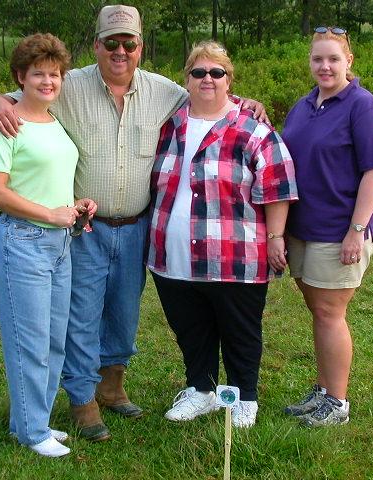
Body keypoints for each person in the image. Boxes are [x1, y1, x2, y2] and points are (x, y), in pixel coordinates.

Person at [0, 5, 269, 441]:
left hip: (138, 226)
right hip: (85, 228)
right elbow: (25, 94)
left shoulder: (165, 91)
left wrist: (248, 103)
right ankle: (82, 400)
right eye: (111, 43)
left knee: (123, 312)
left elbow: (210, 95)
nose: (120, 51)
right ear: (97, 44)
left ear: (140, 46)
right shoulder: (69, 84)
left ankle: (112, 387)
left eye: (129, 43)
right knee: (81, 314)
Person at [147, 41, 298, 428]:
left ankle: (245, 396)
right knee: (191, 330)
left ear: (229, 79)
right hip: (172, 254)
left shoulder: (252, 129)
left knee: (240, 331)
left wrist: (276, 237)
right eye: (199, 73)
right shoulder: (169, 124)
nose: (208, 79)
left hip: (235, 256)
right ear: (187, 79)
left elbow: (277, 185)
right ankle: (201, 390)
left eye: (217, 73)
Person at [0, 33, 97, 457]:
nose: (48, 81)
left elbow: (51, 181)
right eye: (38, 74)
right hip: (21, 242)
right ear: (20, 77)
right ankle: (31, 433)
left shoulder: (54, 121)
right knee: (28, 340)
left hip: (60, 244)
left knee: (53, 340)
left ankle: (34, 421)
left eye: (54, 74)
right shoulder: (3, 125)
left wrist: (75, 205)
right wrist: (49, 215)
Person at [281, 26, 373, 427]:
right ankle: (324, 390)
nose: (324, 66)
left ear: (349, 62)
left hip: (340, 230)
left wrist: (356, 231)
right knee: (319, 310)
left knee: (330, 312)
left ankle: (338, 403)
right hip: (303, 227)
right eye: (317, 59)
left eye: (333, 59)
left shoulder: (363, 107)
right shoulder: (305, 104)